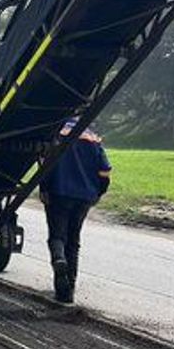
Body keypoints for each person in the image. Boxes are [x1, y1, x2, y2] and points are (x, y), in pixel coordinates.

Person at [39, 118, 112, 303]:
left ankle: (58, 260)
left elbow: (46, 166)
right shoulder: (93, 138)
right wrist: (98, 193)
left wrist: (44, 189)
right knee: (74, 242)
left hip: (58, 193)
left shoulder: (56, 135)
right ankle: (68, 292)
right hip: (84, 197)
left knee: (57, 236)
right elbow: (104, 171)